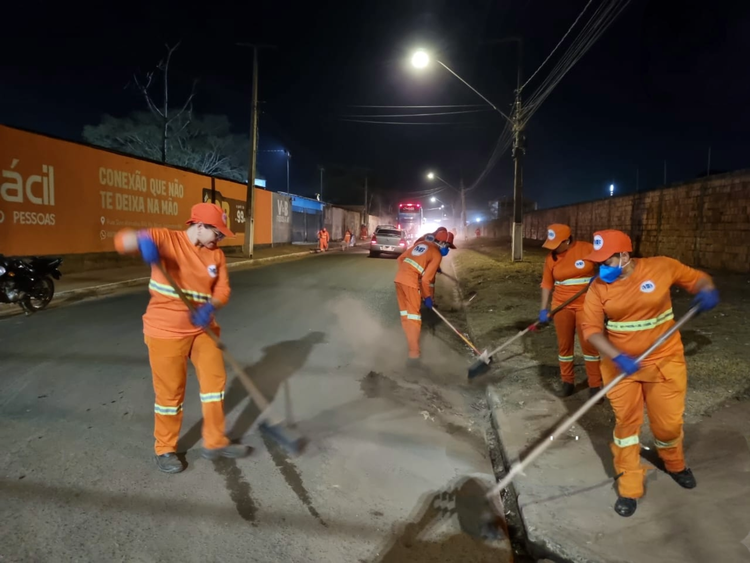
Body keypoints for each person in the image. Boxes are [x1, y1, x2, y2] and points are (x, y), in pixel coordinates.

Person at [580, 229, 719, 517]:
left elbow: (697, 278)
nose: (601, 267)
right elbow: (591, 330)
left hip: (665, 360)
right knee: (626, 427)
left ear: (625, 256)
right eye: (598, 262)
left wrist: (706, 290)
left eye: (607, 260)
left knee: (667, 424)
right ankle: (630, 486)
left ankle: (674, 463)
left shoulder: (661, 266)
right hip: (620, 367)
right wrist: (618, 356)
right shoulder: (598, 287)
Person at [114, 202, 251, 474]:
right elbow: (122, 240)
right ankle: (164, 448)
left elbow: (222, 289)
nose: (220, 239)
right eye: (217, 233)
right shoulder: (166, 239)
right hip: (165, 332)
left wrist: (210, 306)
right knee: (170, 394)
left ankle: (214, 441)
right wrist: (142, 241)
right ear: (200, 226)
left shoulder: (217, 256)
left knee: (215, 385)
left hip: (203, 330)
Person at [539, 224, 602, 398]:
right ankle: (567, 381)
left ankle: (595, 385)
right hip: (561, 305)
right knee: (564, 346)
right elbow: (547, 284)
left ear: (567, 241)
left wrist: (602, 273)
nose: (553, 249)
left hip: (586, 305)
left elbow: (607, 261)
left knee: (589, 345)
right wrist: (543, 309)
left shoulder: (586, 248)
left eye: (556, 244)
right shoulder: (550, 259)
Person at [394, 230, 456, 368]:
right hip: (410, 283)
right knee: (415, 319)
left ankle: (410, 346)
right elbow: (426, 280)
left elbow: (400, 259)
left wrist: (407, 274)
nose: (447, 250)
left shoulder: (422, 243)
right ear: (442, 243)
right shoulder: (436, 254)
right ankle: (414, 357)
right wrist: (427, 297)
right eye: (447, 246)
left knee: (406, 317)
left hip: (399, 280)